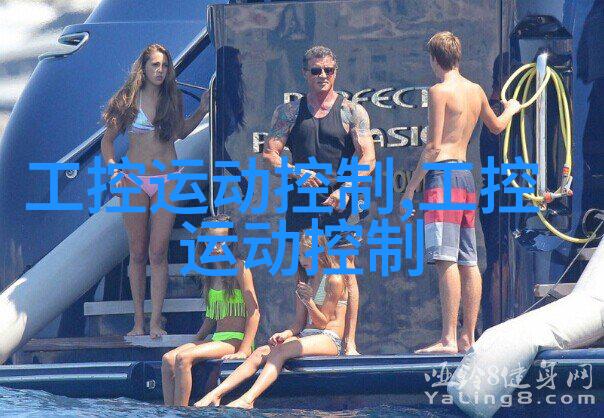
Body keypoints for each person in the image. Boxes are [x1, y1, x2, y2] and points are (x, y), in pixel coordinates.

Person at [401, 32, 520, 354]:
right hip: (466, 177)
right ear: (457, 56)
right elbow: (497, 126)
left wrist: (410, 190)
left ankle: (448, 339)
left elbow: (433, 146)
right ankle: (468, 336)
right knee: (468, 259)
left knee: (445, 259)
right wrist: (511, 108)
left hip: (443, 176)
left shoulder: (439, 91)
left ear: (434, 59)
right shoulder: (476, 90)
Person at [262, 45, 376, 355]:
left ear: (335, 72)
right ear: (305, 73)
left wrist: (347, 189)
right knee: (304, 266)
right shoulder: (288, 112)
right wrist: (296, 172)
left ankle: (349, 342)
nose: (322, 75)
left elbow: (368, 157)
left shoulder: (351, 111)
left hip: (342, 200)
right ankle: (299, 328)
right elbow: (269, 155)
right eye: (316, 70)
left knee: (346, 268)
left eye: (328, 70)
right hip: (303, 198)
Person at [101, 43, 210, 338]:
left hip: (167, 179)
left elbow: (180, 133)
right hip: (134, 180)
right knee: (137, 252)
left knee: (158, 251)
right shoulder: (128, 99)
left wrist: (202, 109)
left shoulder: (172, 97)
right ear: (144, 68)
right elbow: (107, 141)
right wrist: (113, 171)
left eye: (164, 65)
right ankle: (138, 320)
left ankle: (155, 320)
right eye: (155, 65)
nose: (160, 71)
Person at [195, 232, 348, 409]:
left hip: (329, 337)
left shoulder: (334, 278)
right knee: (260, 352)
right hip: (307, 335)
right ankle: (215, 394)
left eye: (306, 254)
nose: (302, 260)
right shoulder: (305, 279)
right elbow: (299, 323)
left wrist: (309, 301)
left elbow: (322, 323)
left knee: (279, 352)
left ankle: (248, 399)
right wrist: (285, 333)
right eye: (299, 255)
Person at [161, 217, 260, 406]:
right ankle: (169, 412)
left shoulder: (239, 267)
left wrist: (244, 349)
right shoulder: (209, 271)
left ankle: (182, 412)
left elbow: (254, 312)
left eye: (221, 242)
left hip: (235, 339)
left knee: (184, 358)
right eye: (211, 241)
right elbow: (211, 316)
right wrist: (195, 340)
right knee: (168, 359)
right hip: (217, 338)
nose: (216, 247)